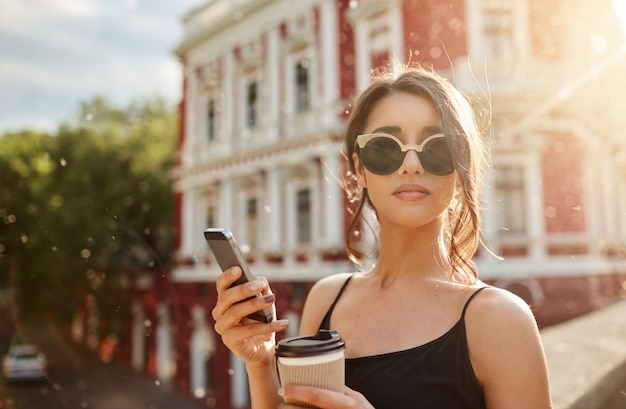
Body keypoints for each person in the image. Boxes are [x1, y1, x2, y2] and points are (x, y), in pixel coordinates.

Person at [211, 65, 552, 409]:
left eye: (437, 147)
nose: (411, 163)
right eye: (386, 147)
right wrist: (260, 364)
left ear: (460, 164)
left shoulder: (501, 321)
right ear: (358, 169)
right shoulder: (326, 299)